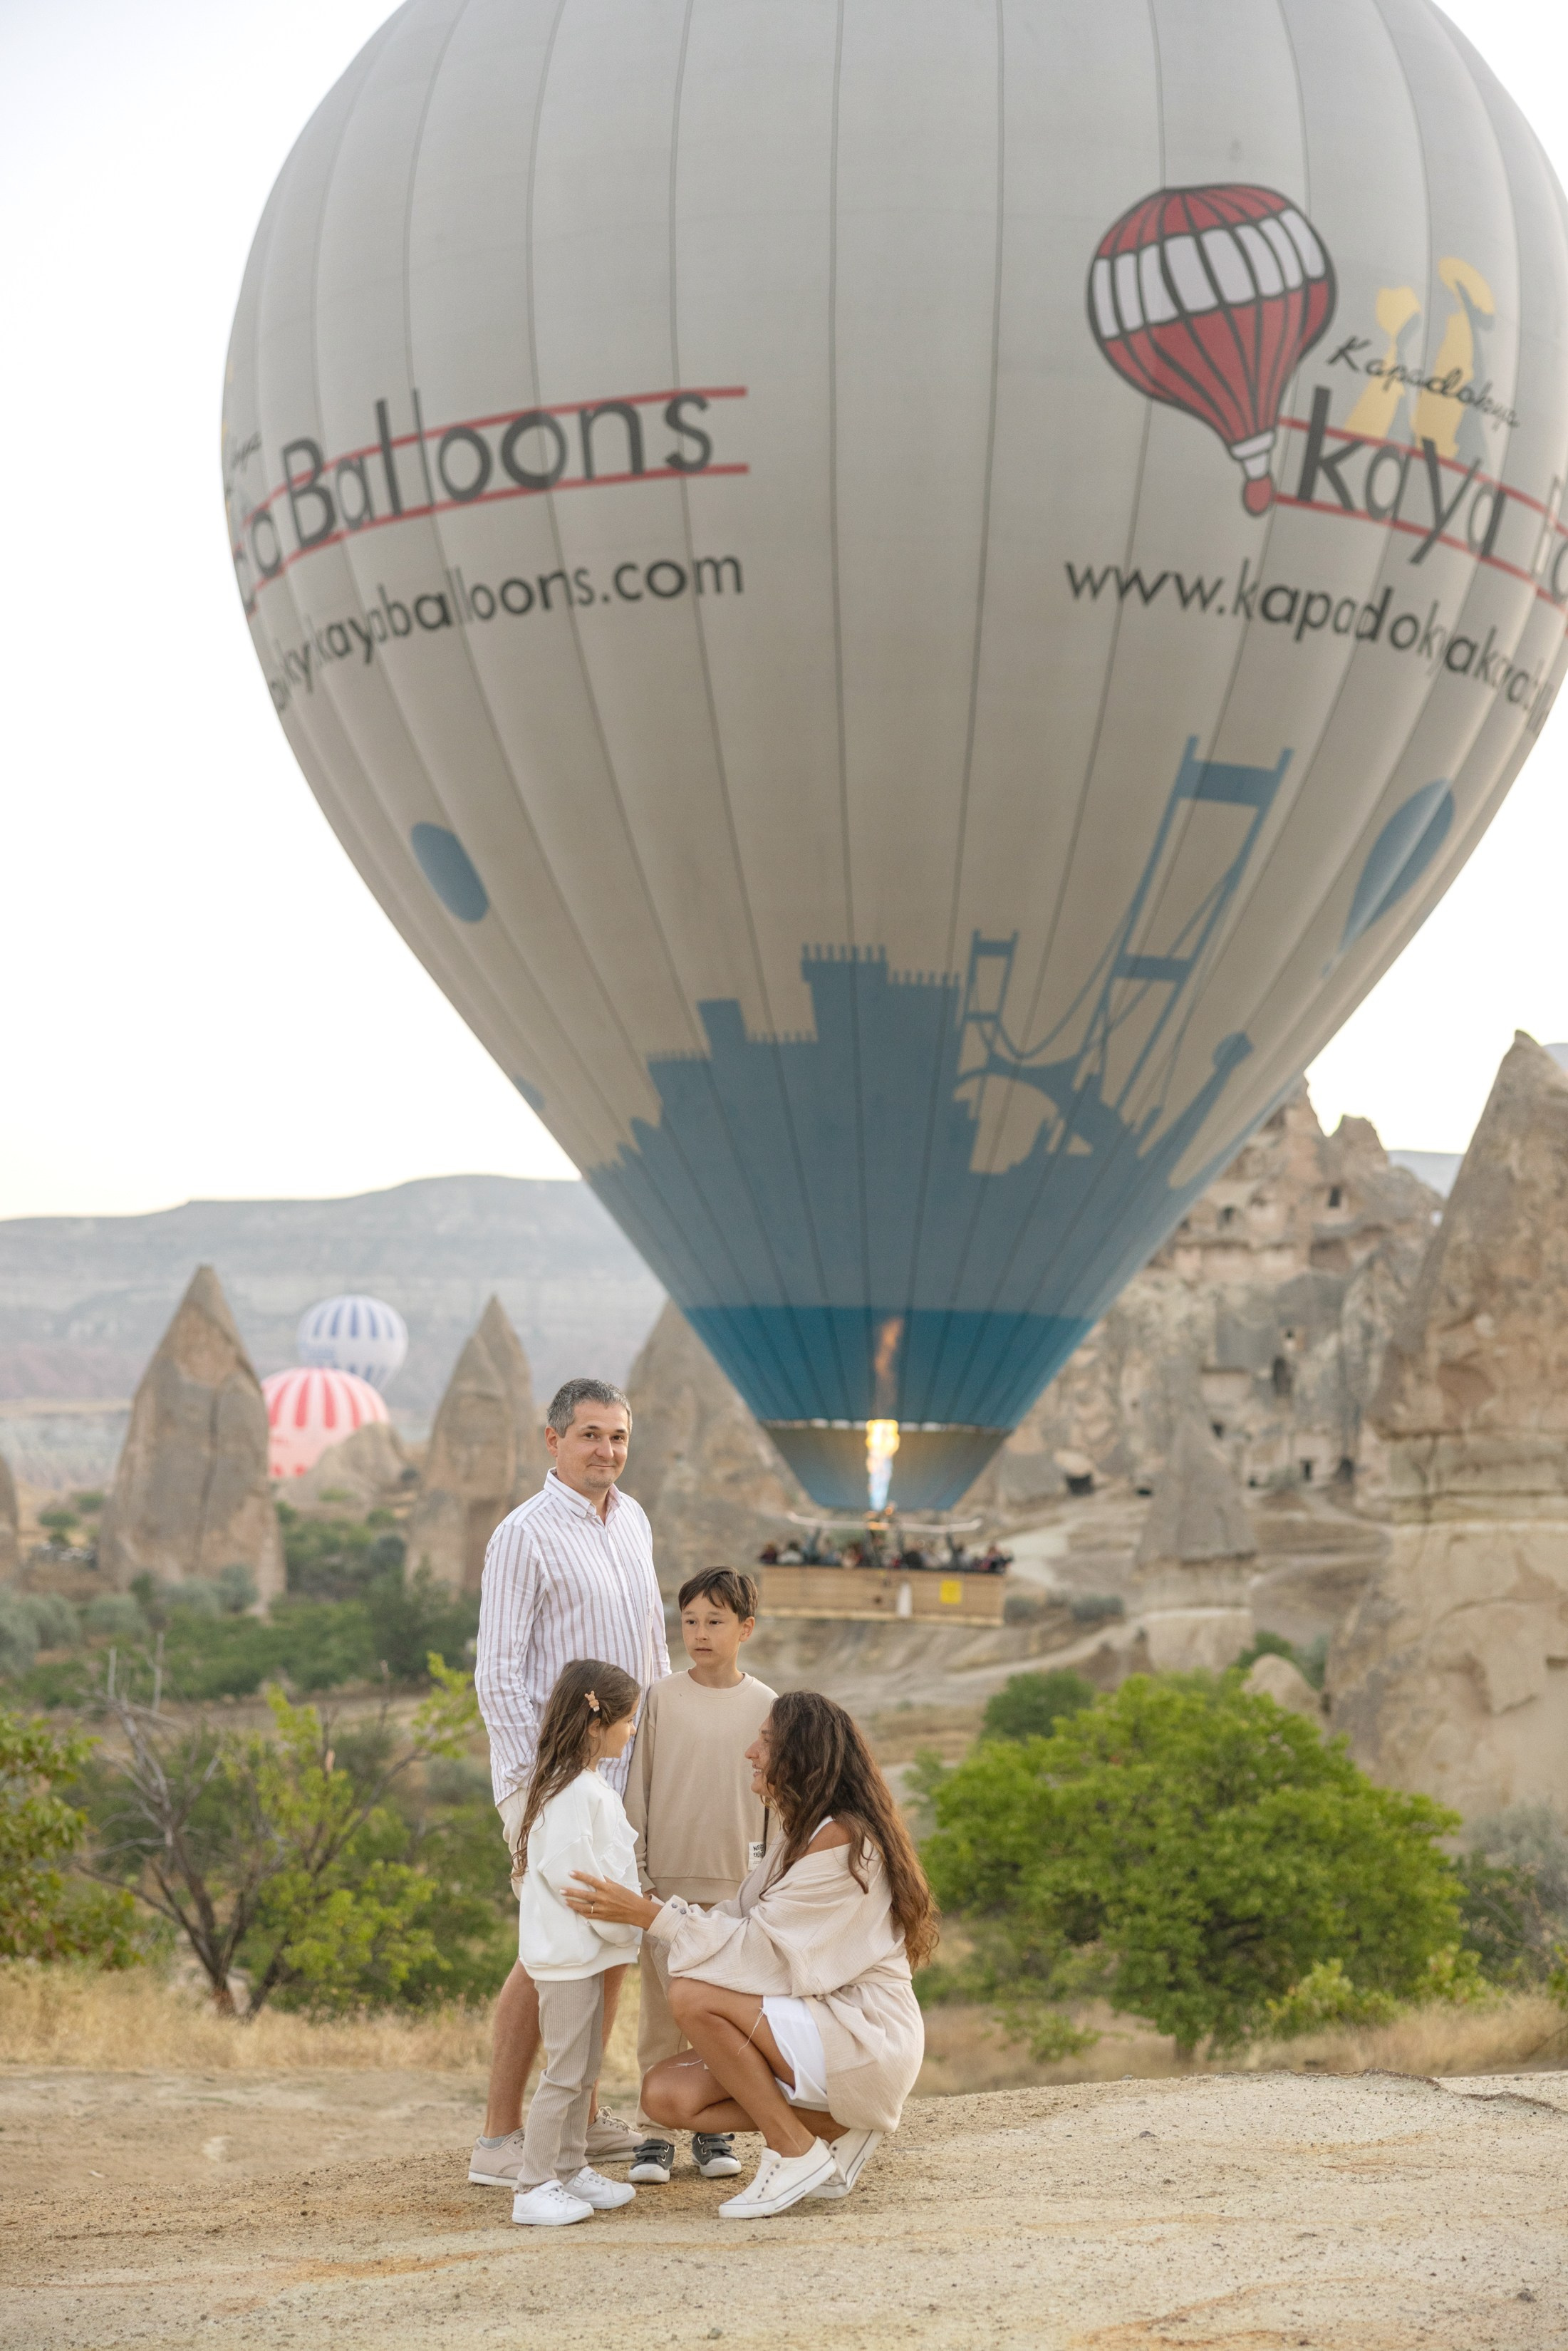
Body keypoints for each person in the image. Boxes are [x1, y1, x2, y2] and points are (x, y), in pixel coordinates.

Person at [566, 1690, 935, 2220]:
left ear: (800, 1755)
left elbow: (761, 1953)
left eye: (765, 1741)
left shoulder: (844, 1843)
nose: (750, 1752)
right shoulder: (803, 1836)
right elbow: (737, 1918)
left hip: (861, 2036)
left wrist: (651, 1917)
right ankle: (835, 2129)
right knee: (665, 2097)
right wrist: (643, 1904)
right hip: (813, 2026)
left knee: (693, 1997)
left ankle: (793, 2150)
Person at [468, 1377, 670, 2192]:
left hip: (625, 1772)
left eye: (617, 1437)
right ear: (551, 1441)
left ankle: (580, 2122)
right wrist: (540, 1791)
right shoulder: (523, 1535)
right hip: (554, 1782)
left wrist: (659, 1758)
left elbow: (652, 1654)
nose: (606, 1452)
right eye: (589, 1435)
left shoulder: (633, 1521)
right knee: (546, 1952)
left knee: (609, 1944)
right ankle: (498, 2140)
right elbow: (496, 1676)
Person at [623, 1567, 777, 2186]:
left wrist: (766, 1882)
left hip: (737, 1887)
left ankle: (712, 2128)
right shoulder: (660, 1697)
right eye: (689, 1621)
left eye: (714, 1622)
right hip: (667, 1884)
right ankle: (655, 2134)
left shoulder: (768, 1705)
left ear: (745, 1628)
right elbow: (639, 1788)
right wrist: (639, 1875)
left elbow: (778, 1804)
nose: (699, 1633)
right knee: (662, 2010)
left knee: (718, 2012)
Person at [509, 1659, 645, 2228]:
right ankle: (532, 2183)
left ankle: (569, 2166)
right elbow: (578, 1883)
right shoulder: (569, 1795)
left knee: (585, 2066)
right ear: (597, 1722)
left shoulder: (588, 1787)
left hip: (588, 1952)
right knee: (564, 2070)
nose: (631, 1730)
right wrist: (626, 1923)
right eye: (627, 1720)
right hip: (568, 1956)